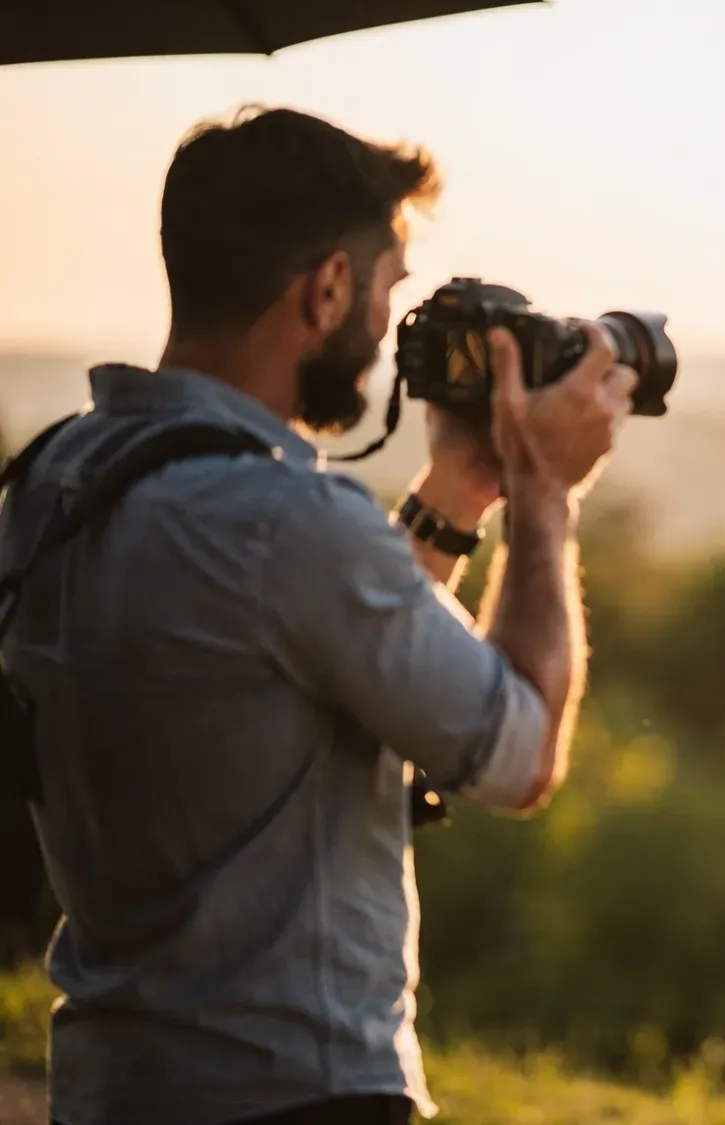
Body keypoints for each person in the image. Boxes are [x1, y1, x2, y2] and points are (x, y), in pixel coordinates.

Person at [0, 106, 636, 1125]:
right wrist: (545, 494)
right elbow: (519, 755)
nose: (386, 331)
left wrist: (459, 495)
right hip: (298, 1088)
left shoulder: (55, 480)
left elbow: (317, 646)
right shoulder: (284, 520)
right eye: (385, 290)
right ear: (326, 287)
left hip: (114, 1086)